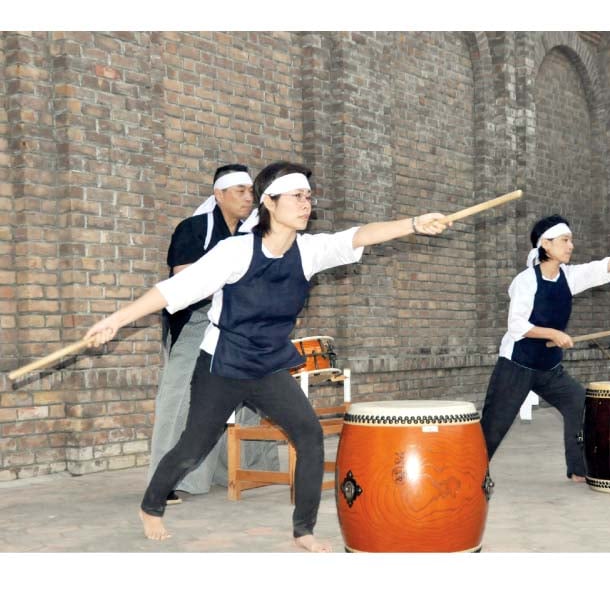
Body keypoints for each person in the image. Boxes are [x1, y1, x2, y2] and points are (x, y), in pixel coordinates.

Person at [85, 160, 450, 551]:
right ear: (270, 203)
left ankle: (303, 531)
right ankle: (151, 505)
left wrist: (414, 223)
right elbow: (174, 290)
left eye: (308, 196)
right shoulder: (236, 251)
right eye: (296, 196)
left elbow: (359, 236)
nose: (306, 203)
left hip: (269, 364)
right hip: (222, 364)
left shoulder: (310, 251)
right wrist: (116, 320)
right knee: (193, 447)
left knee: (309, 436)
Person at [479, 214, 610, 483]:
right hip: (517, 364)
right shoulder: (526, 281)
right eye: (565, 240)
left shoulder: (570, 277)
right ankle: (467, 472)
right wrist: (553, 333)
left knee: (579, 405)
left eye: (571, 240)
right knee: (494, 426)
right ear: (546, 244)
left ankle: (579, 467)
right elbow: (516, 324)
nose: (571, 246)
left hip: (548, 368)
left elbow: (607, 265)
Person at [148, 164, 278, 505]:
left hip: (240, 324)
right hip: (198, 320)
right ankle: (165, 483)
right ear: (218, 194)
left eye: (251, 192)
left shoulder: (250, 235)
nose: (248, 198)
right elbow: (182, 279)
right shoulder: (194, 229)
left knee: (246, 393)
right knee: (180, 399)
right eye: (240, 191)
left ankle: (245, 469)